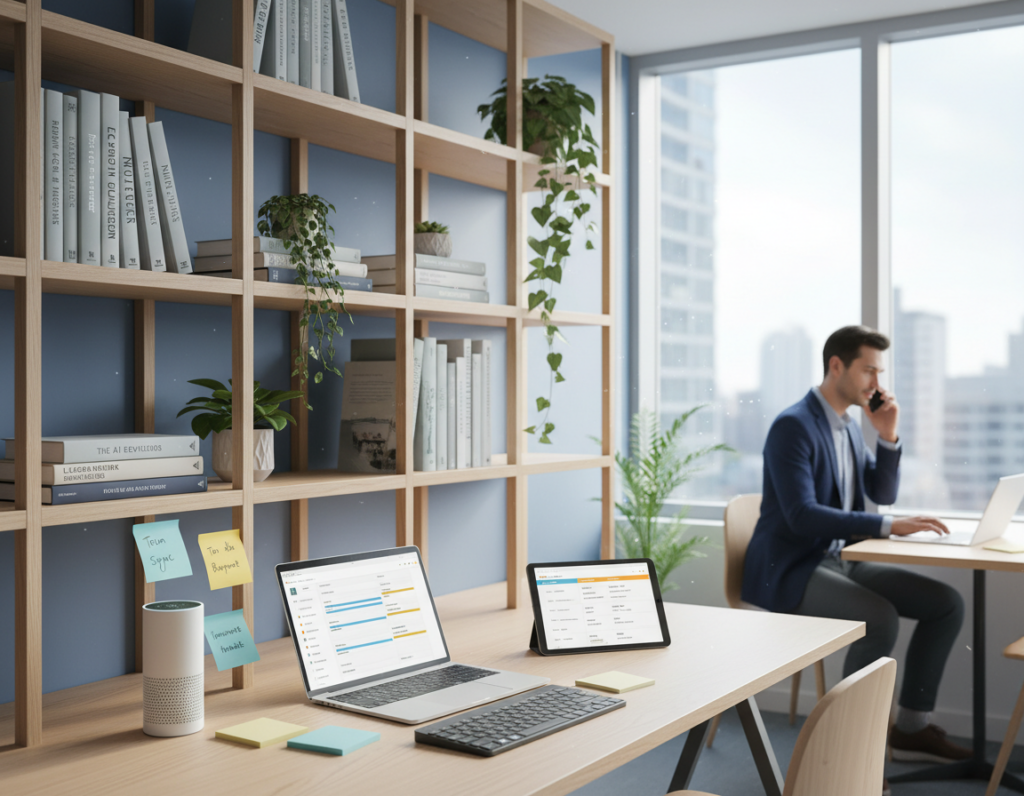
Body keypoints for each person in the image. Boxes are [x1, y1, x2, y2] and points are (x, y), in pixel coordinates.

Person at [742, 325, 969, 767]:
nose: (877, 384)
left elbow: (881, 491)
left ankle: (911, 729)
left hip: (838, 558)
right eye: (869, 371)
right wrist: (890, 526)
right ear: (836, 366)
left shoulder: (845, 426)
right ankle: (848, 755)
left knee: (946, 604)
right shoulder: (794, 426)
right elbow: (802, 515)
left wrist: (887, 435)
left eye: (879, 372)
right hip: (791, 567)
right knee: (879, 618)